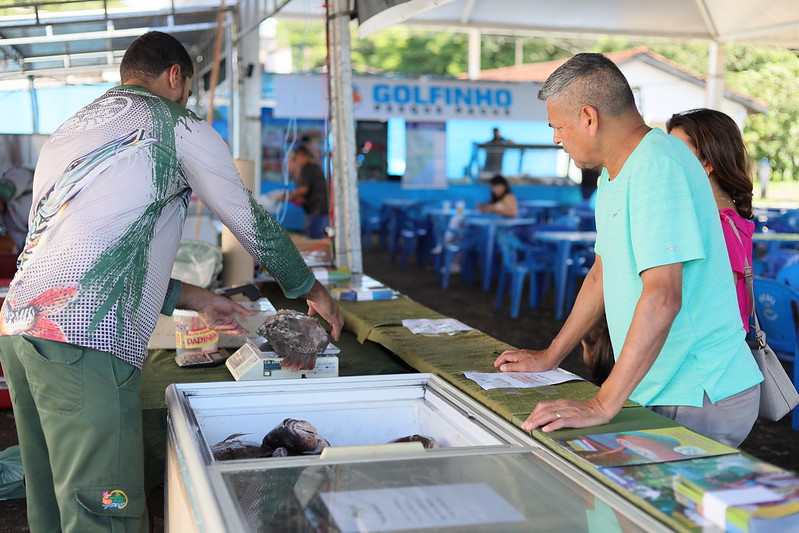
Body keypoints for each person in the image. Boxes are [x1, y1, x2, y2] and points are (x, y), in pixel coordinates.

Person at [0, 31, 343, 532]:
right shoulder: (177, 126)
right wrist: (313, 291)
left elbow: (83, 255)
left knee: (53, 497)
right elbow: (251, 222)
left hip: (20, 334)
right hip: (82, 343)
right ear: (176, 76)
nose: (188, 103)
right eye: (188, 92)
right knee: (105, 510)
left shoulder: (73, 129)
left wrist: (196, 296)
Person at [494, 53, 762, 447]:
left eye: (558, 126)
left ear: (589, 117)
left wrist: (603, 402)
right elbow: (603, 272)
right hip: (659, 383)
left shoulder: (657, 165)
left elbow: (664, 297)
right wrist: (551, 355)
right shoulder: (615, 171)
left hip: (696, 390)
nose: (556, 138)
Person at [667, 108, 755, 331]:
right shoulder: (720, 219)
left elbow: (711, 313)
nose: (665, 161)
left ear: (707, 164)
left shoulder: (719, 228)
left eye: (676, 153)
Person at [288, 145, 329, 239]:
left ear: (302, 156)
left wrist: (289, 196)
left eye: (296, 158)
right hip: (314, 207)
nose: (295, 161)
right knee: (312, 232)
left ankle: (316, 252)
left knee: (314, 234)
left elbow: (303, 189)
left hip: (317, 207)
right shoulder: (311, 167)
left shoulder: (308, 168)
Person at [0, 166, 34, 252]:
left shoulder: (13, 177)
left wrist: (6, 190)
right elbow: (26, 247)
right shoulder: (9, 224)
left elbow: (27, 176)